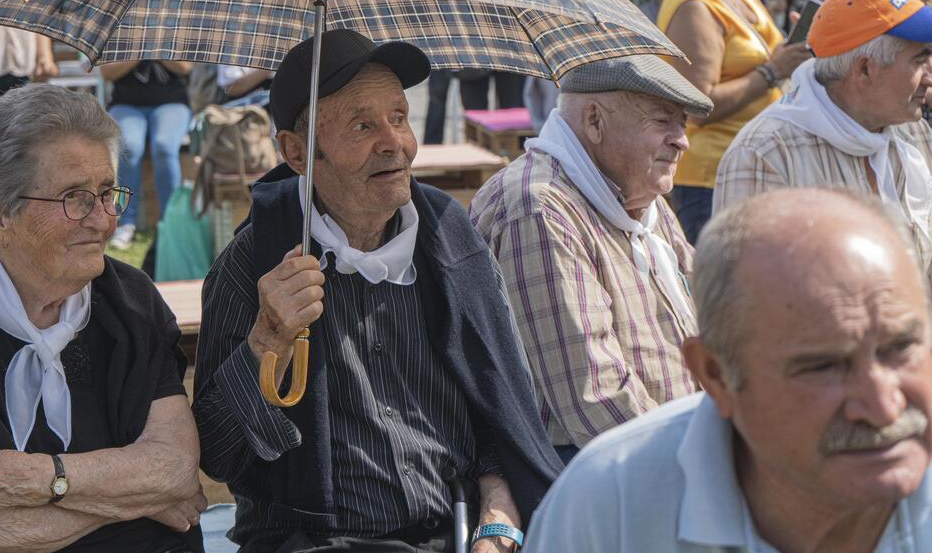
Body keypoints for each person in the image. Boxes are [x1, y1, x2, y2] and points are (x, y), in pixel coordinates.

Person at [193, 29, 562, 553]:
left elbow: (502, 419)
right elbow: (217, 453)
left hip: (454, 535)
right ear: (296, 152)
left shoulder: (450, 244)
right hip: (311, 543)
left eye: (399, 117)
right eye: (362, 125)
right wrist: (267, 343)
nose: (394, 142)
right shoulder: (253, 266)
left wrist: (497, 526)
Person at [0, 84, 206, 553]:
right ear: (0, 214)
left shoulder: (130, 300)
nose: (103, 218)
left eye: (107, 192)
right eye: (75, 197)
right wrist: (139, 499)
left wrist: (36, 479)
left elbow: (174, 470)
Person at [521, 188, 932, 553]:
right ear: (715, 374)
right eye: (823, 366)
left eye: (901, 348)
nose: (883, 406)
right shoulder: (611, 507)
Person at [470, 55, 707, 461]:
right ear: (594, 122)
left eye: (681, 123)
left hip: (674, 442)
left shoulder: (643, 198)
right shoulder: (540, 208)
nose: (681, 140)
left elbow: (707, 313)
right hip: (597, 470)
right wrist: (705, 462)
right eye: (662, 121)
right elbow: (594, 400)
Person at [716, 0, 932, 277]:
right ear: (865, 69)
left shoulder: (911, 132)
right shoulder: (764, 154)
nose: (930, 75)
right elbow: (742, 298)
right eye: (920, 60)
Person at [656, 0, 812, 243]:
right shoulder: (693, 7)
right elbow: (698, 105)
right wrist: (772, 71)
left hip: (755, 166)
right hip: (714, 179)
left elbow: (764, 53)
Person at [99, 60, 193, 250]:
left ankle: (169, 222)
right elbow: (107, 72)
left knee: (164, 146)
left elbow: (185, 67)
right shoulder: (121, 31)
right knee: (129, 148)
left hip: (172, 103)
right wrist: (139, 53)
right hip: (125, 104)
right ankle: (123, 221)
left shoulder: (171, 29)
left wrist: (155, 48)